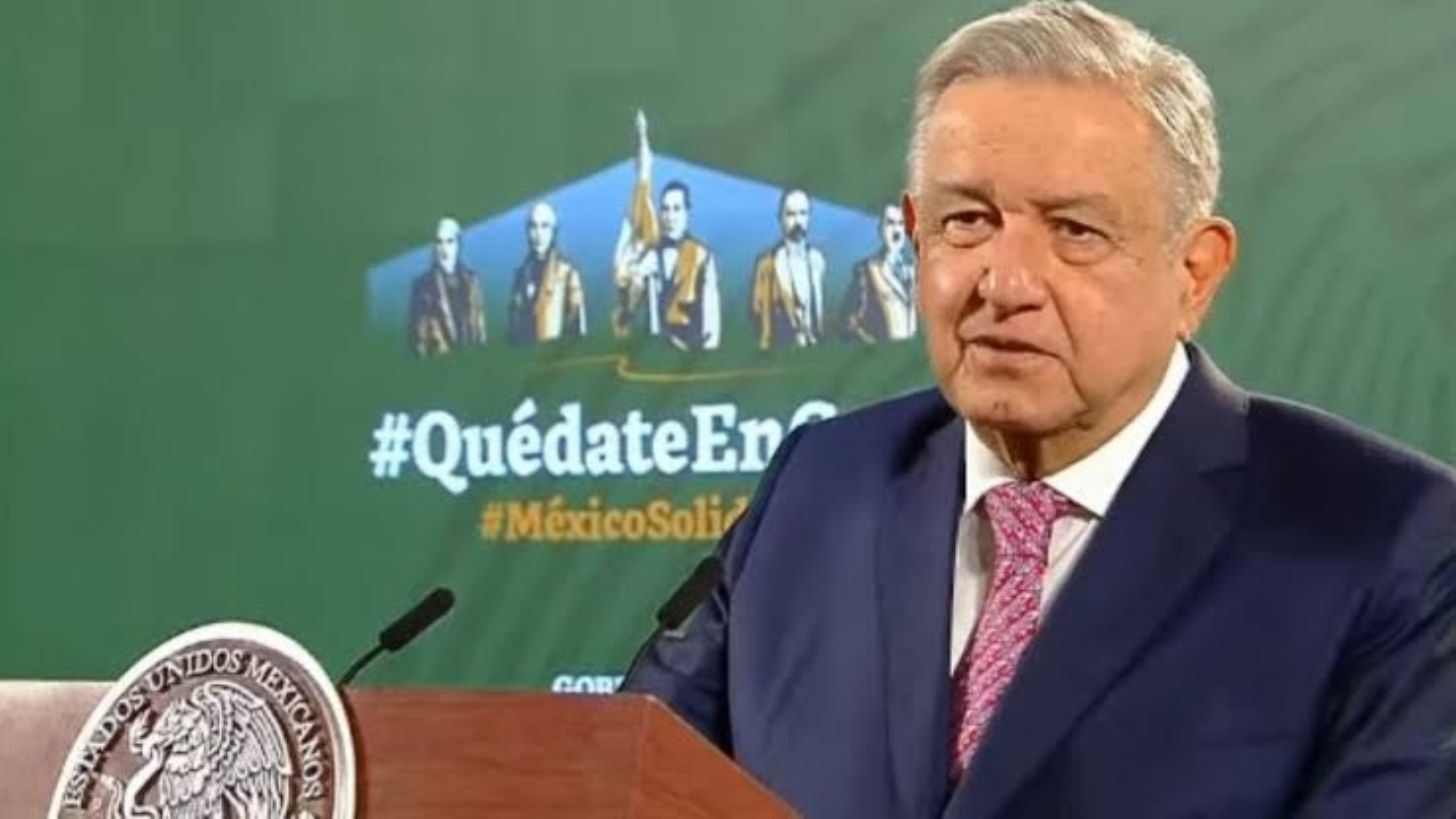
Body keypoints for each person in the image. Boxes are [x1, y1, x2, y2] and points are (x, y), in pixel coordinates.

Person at [623, 2, 1456, 817]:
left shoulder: (1390, 539)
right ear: (915, 235)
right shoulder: (820, 483)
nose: (1006, 282)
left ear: (1195, 272)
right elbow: (617, 773)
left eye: (1075, 231)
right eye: (967, 220)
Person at [612, 111, 722, 351]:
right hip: (662, 350)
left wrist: (707, 349)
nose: (670, 216)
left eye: (676, 209)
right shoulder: (653, 254)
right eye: (666, 209)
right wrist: (628, 285)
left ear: (687, 212)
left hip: (693, 350)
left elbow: (711, 313)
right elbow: (631, 290)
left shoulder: (702, 255)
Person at [750, 188, 828, 348]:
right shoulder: (767, 264)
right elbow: (757, 311)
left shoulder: (818, 260)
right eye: (791, 214)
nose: (798, 221)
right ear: (780, 218)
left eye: (803, 213)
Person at [506, 201, 587, 343]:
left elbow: (578, 328)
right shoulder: (520, 275)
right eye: (533, 226)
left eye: (545, 226)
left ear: (553, 231)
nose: (539, 234)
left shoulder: (567, 272)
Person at [408, 217, 486, 357]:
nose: (444, 248)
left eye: (450, 241)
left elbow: (480, 327)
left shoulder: (472, 280)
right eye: (439, 242)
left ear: (458, 244)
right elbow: (418, 338)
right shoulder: (422, 285)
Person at [841, 203, 917, 342]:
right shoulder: (865, 271)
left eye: (901, 224)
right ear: (880, 229)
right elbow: (848, 323)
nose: (896, 230)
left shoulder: (914, 269)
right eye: (890, 223)